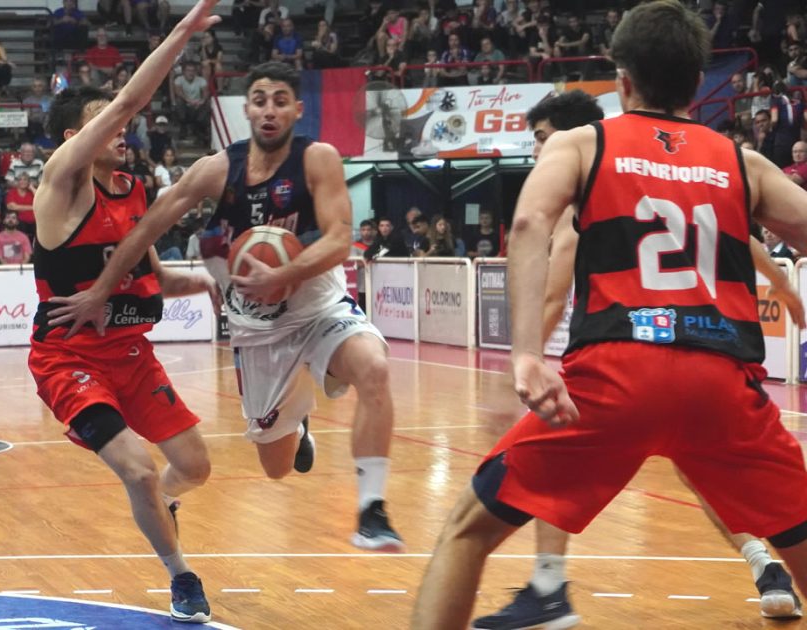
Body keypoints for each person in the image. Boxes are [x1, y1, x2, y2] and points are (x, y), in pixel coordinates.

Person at [412, 3, 807, 627]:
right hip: (722, 384)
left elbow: (528, 223)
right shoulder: (743, 162)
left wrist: (525, 354)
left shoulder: (581, 143)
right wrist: (782, 280)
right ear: (696, 81)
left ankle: (547, 589)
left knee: (467, 531)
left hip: (618, 374)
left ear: (622, 81)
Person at [45, 61, 406, 553]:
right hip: (259, 329)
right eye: (260, 100)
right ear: (247, 111)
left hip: (319, 307)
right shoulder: (215, 170)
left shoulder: (317, 159)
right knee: (276, 469)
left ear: (297, 110)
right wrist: (101, 290)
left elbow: (339, 240)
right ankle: (297, 422)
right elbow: (144, 232)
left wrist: (280, 275)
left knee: (374, 366)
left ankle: (372, 511)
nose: (270, 110)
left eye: (281, 101)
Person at [24, 0, 222, 622]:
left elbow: (154, 277)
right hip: (69, 359)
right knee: (137, 471)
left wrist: (213, 282)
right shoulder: (62, 180)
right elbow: (130, 100)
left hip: (133, 356)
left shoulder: (134, 191)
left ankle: (165, 507)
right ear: (75, 139)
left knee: (195, 467)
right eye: (104, 122)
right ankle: (181, 576)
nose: (121, 128)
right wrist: (183, 31)